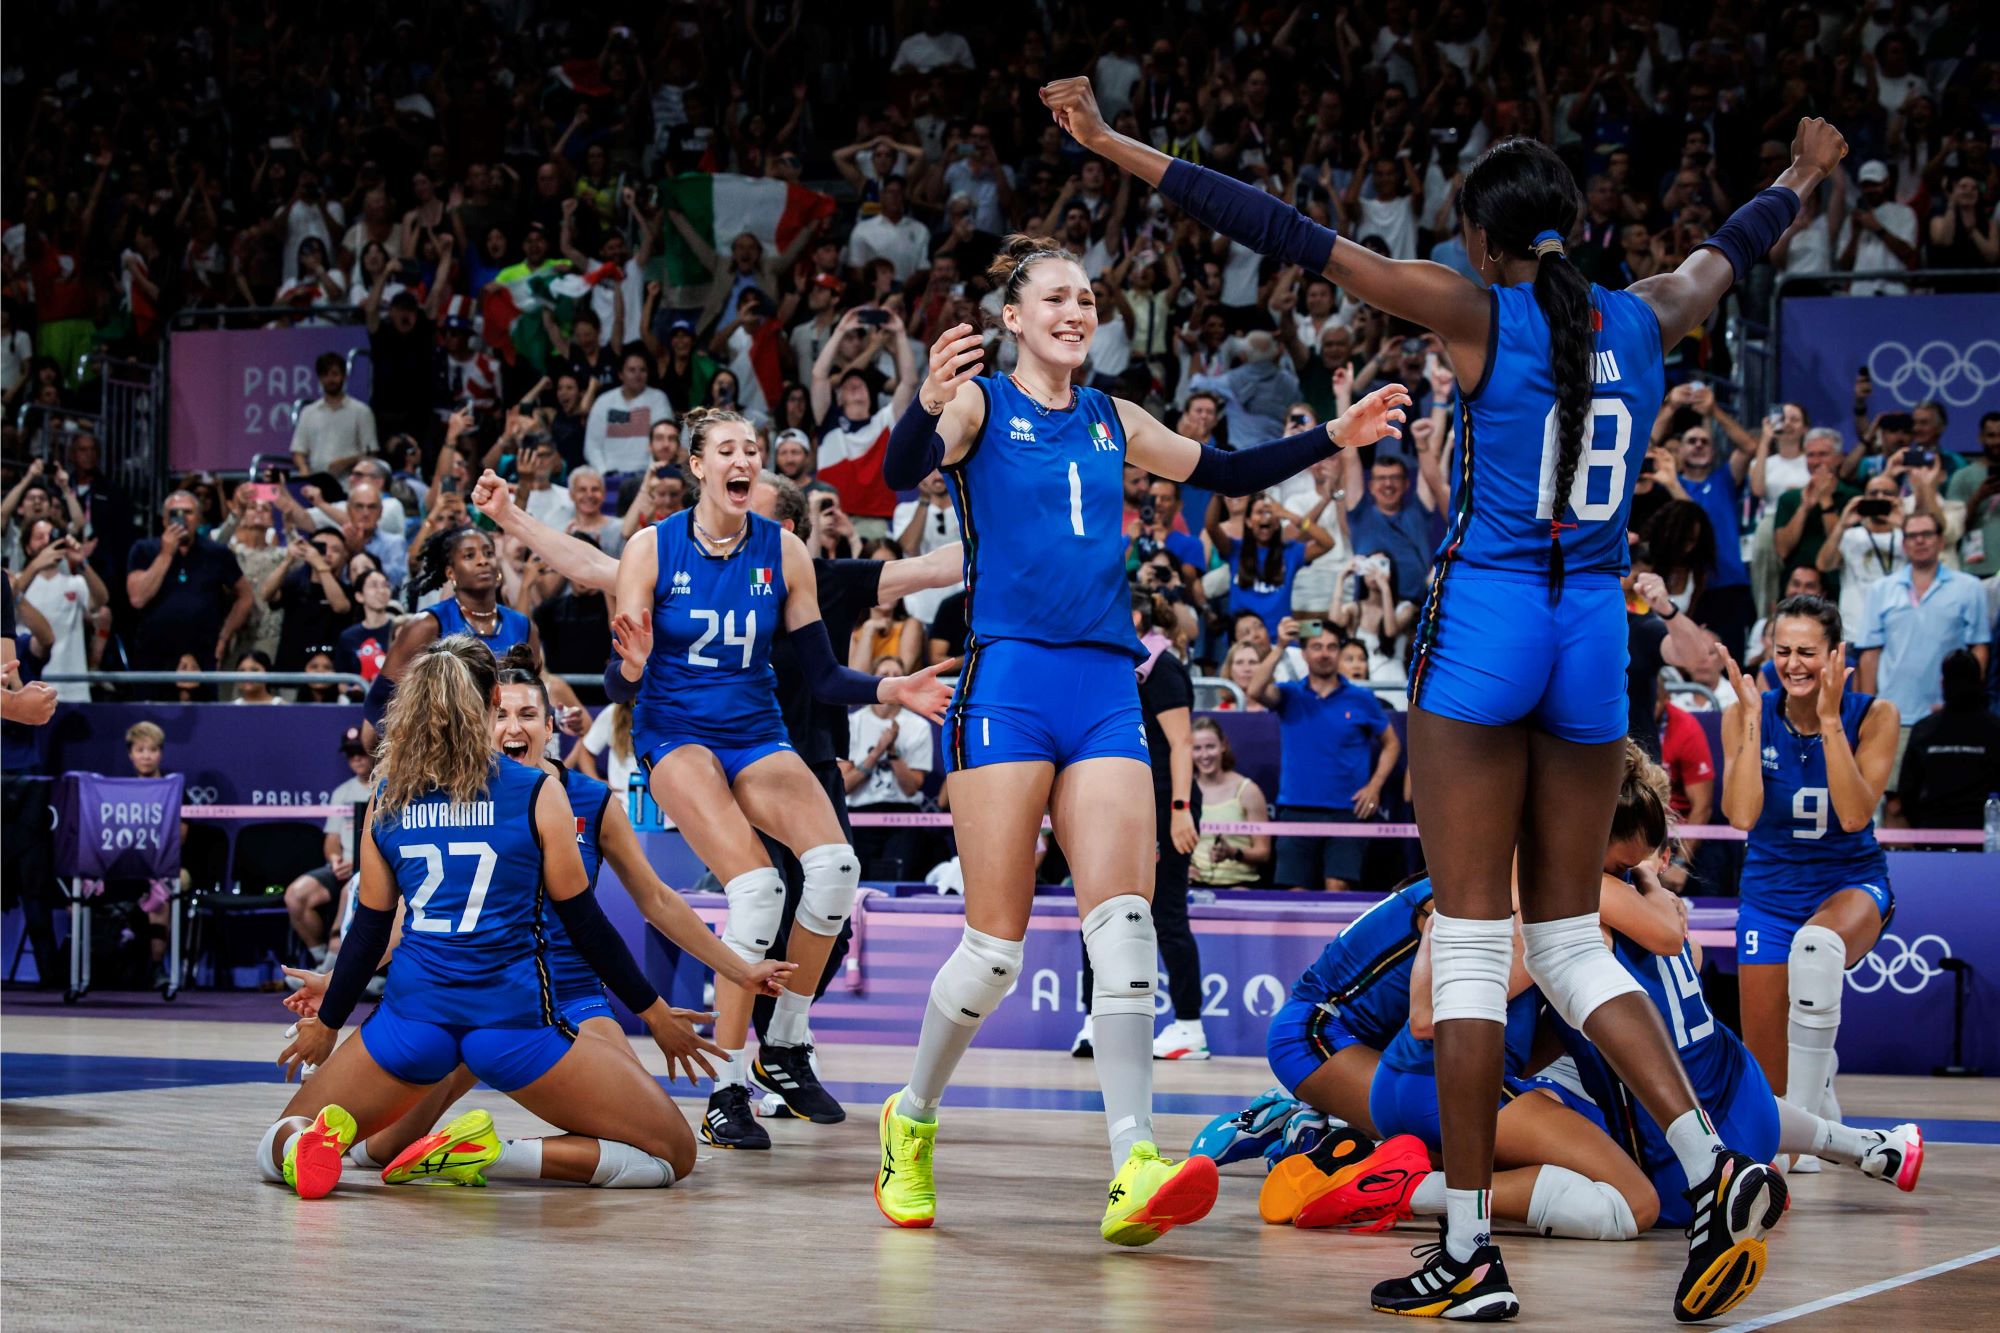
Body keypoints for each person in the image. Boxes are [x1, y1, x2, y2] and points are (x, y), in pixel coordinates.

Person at [1044, 74, 1840, 1316]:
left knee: (1471, 945)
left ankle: (1468, 1249)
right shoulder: (1642, 317)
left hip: (1485, 627)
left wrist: (1113, 146)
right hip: (1588, 634)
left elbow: (1285, 229)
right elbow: (1726, 248)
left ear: (1482, 236)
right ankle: (1704, 1157)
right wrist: (1797, 177)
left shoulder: (1476, 314)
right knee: (1570, 933)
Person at [873, 224, 1406, 1243]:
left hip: (1103, 685)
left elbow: (1232, 466)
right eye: (1056, 297)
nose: (1076, 310)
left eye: (1087, 297)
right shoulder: (980, 405)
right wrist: (925, 399)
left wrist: (1334, 436)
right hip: (1009, 679)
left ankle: (1132, 1162)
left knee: (1121, 929)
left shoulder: (1114, 417)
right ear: (1014, 318)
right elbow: (900, 474)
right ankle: (913, 1115)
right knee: (991, 950)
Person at [1298, 744, 1924, 1237]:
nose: (1633, 875)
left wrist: (1647, 890)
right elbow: (1429, 1016)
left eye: (1638, 867)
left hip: (1482, 1071)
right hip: (1419, 1070)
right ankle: (1398, 1181)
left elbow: (1681, 942)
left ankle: (1862, 1148)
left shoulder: (1593, 894)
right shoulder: (1558, 899)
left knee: (1647, 1086)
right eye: (1624, 867)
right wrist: (1641, 904)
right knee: (1633, 1201)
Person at [260, 635, 724, 1200]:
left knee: (282, 1139)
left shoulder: (387, 795)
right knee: (670, 1153)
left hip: (411, 1021)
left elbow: (369, 928)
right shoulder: (536, 791)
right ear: (492, 699)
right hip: (511, 1024)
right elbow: (585, 924)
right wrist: (654, 1014)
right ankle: (497, 1155)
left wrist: (327, 1024)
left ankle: (307, 1149)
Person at [608, 407, 953, 1148]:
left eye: (754, 451)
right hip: (676, 732)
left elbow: (823, 674)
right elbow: (618, 678)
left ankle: (786, 1044)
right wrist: (630, 667)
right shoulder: (651, 546)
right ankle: (727, 1085)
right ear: (697, 465)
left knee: (834, 867)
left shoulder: (786, 551)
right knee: (759, 888)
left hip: (756, 730)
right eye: (727, 449)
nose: (744, 460)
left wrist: (892, 690)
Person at [1719, 595, 1896, 1162]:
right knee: (1771, 1094)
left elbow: (1853, 815)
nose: (1794, 664)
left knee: (1816, 949)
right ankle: (1817, 1089)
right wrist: (1749, 722)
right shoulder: (1747, 711)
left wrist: (1827, 721)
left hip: (1850, 885)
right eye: (1783, 651)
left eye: (1809, 653)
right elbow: (1741, 815)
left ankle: (1817, 1124)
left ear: (1836, 654)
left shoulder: (1875, 714)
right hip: (1770, 896)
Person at [1073, 591, 1205, 1062]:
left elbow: (1183, 743)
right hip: (1116, 803)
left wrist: (1180, 807)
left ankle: (1189, 1027)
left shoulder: (1162, 667)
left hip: (1167, 804)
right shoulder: (1107, 668)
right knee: (1097, 914)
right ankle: (1093, 1021)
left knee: (1166, 914)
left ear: (1134, 617)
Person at [1247, 619, 1400, 892]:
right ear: (1304, 654)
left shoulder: (1361, 698)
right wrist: (1280, 645)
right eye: (1316, 646)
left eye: (1331, 646)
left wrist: (1374, 787)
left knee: (1338, 889)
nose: (1325, 653)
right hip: (1296, 807)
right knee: (1296, 894)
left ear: (1339, 652)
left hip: (1347, 810)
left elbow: (1392, 743)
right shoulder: (1290, 694)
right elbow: (1255, 690)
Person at [1855, 511, 1992, 773]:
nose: (1920, 541)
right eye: (1912, 536)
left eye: (1927, 534)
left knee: (1944, 795)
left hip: (1948, 714)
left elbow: (1979, 649)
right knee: (1893, 803)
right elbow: (1870, 655)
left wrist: (1965, 700)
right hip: (1893, 715)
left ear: (1941, 541)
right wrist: (1868, 711)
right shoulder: (1880, 590)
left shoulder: (1970, 587)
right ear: (1904, 543)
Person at [126, 490, 253, 679]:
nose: (182, 519)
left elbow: (246, 596)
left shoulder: (216, 553)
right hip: (154, 653)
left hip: (202, 652)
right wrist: (166, 554)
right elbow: (137, 598)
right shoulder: (144, 550)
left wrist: (224, 637)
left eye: (188, 512)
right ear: (164, 520)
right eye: (175, 513)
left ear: (199, 519)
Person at [282, 727, 377, 967]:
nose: (356, 758)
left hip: (374, 869)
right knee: (295, 896)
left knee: (350, 892)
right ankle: (323, 961)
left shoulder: (388, 786)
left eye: (361, 752)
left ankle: (335, 965)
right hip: (343, 867)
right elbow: (332, 841)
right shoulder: (341, 793)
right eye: (350, 754)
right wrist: (335, 860)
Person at [842, 655, 935, 879]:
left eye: (897, 676)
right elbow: (844, 785)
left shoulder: (918, 726)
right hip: (859, 814)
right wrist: (876, 752)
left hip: (902, 816)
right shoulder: (853, 723)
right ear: (874, 680)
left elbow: (912, 788)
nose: (892, 680)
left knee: (895, 876)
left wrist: (893, 752)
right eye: (885, 675)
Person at [1897, 649, 2000, 829]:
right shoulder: (1995, 729)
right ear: (1980, 681)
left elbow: (1907, 792)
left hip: (1931, 831)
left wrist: (1920, 825)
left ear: (1943, 683)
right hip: (1985, 833)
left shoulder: (1924, 730)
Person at [1819, 472, 1907, 630]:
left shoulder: (1908, 537)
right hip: (1856, 629)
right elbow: (1824, 565)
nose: (1880, 497)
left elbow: (1927, 565)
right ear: (1863, 498)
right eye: (1873, 494)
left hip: (1898, 626)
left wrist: (1904, 525)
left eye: (1887, 493)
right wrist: (1842, 525)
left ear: (1898, 498)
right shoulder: (1850, 535)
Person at [1189, 718, 1271, 888]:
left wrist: (1232, 853)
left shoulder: (1248, 791)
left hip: (1240, 883)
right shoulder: (1185, 791)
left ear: (1223, 746)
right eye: (1197, 748)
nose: (1204, 755)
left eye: (1210, 747)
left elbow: (1264, 853)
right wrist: (1186, 868)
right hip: (1194, 884)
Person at [290, 352, 379, 476]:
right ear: (320, 378)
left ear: (344, 376)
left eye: (335, 374)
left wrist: (346, 462)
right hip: (316, 483)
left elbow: (371, 454)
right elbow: (298, 450)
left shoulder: (361, 411)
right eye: (325, 375)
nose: (330, 379)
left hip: (351, 484)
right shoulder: (308, 412)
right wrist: (303, 469)